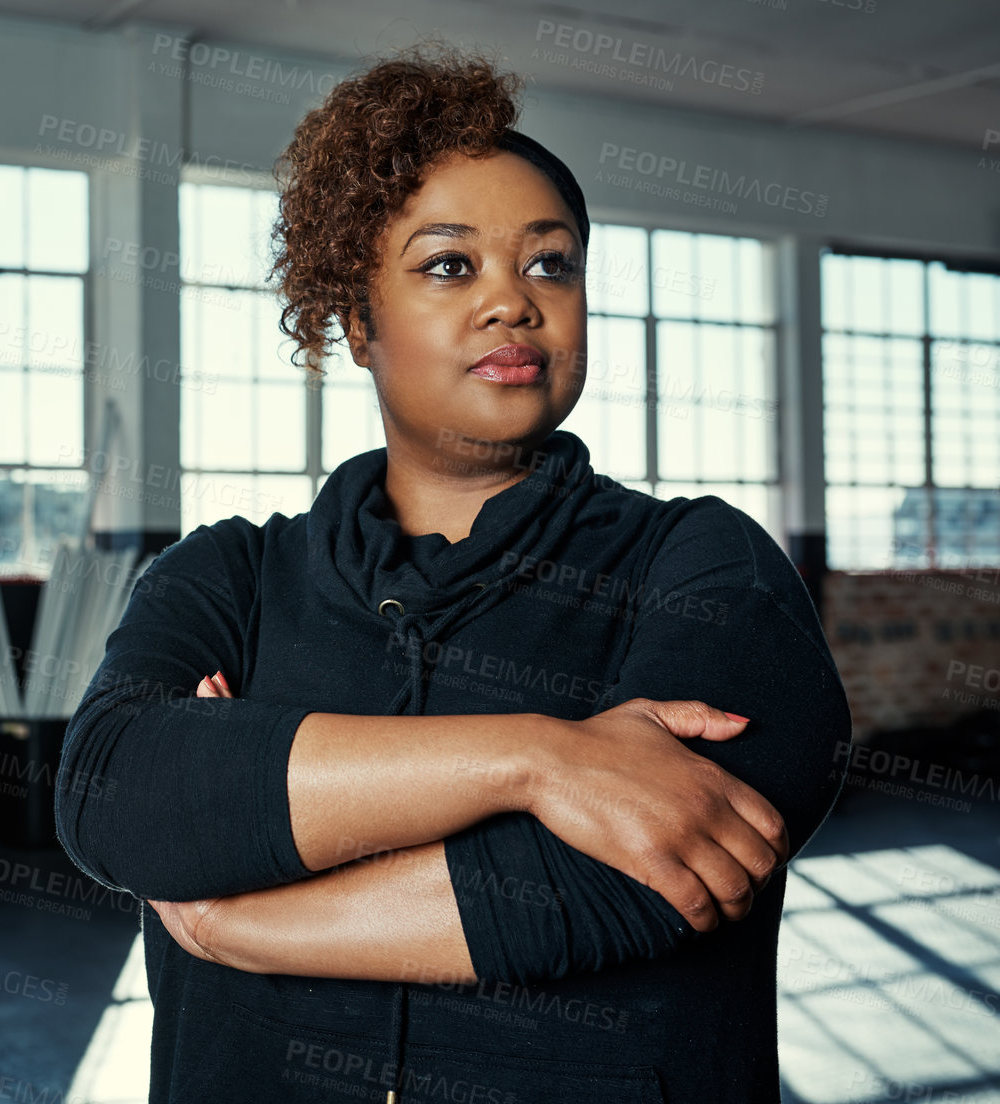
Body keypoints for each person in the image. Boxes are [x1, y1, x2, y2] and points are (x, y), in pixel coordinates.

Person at [54, 43, 850, 1104]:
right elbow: (116, 797)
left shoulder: (707, 564)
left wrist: (243, 915)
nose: (513, 304)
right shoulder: (226, 576)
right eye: (447, 265)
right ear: (355, 323)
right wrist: (538, 762)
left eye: (549, 263)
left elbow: (647, 877)